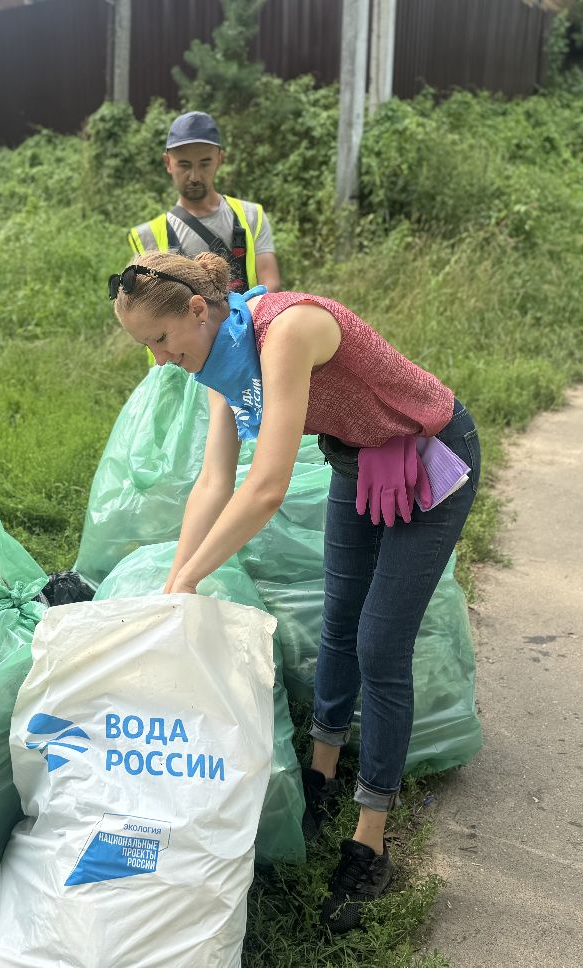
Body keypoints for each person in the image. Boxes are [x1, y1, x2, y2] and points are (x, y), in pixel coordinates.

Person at [107, 251, 481, 935]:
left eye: (160, 341)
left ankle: (369, 841)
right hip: (363, 457)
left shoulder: (286, 331)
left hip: (431, 452)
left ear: (197, 310)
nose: (159, 360)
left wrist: (191, 577)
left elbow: (268, 485)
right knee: (339, 620)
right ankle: (321, 773)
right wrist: (175, 583)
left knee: (378, 644)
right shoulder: (220, 357)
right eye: (146, 348)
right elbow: (214, 483)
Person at [127, 111, 282, 294]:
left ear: (219, 160)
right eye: (184, 165)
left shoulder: (251, 216)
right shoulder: (148, 237)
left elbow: (270, 283)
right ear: (168, 163)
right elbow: (151, 306)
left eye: (204, 164)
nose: (194, 176)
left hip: (249, 321)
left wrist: (240, 316)